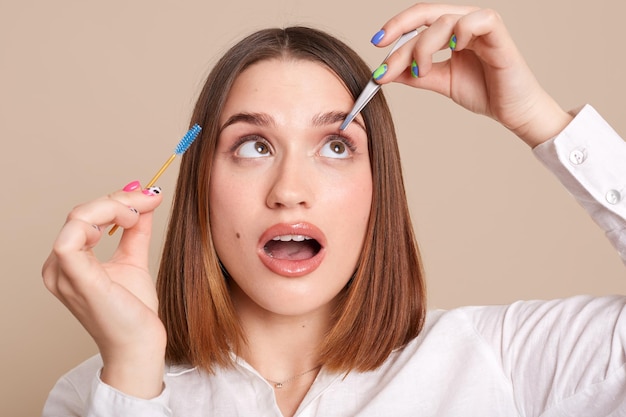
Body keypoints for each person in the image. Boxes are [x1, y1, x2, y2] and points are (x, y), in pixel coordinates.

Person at [41, 3, 626, 416]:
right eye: (253, 146)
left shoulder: (503, 362)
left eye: (337, 145)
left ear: (380, 187)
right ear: (201, 184)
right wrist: (135, 368)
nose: (290, 190)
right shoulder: (101, 393)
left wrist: (537, 117)